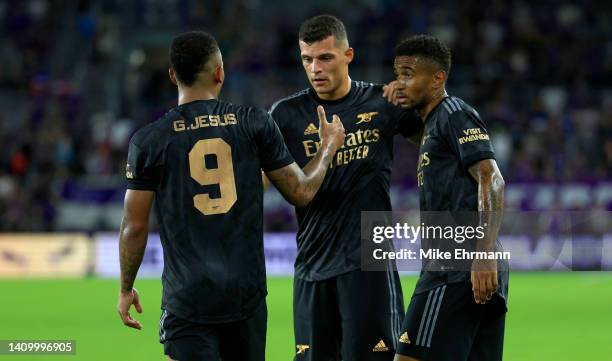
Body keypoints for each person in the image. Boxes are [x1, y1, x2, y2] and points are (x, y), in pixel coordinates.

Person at [115, 31, 345, 361]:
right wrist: (328, 147)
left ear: (172, 75)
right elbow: (301, 192)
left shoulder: (149, 140)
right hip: (246, 298)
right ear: (220, 72)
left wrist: (126, 288)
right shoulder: (254, 123)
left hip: (188, 299)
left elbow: (133, 228)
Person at [269, 15, 423, 360]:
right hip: (312, 266)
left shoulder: (382, 103)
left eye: (325, 58)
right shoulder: (286, 115)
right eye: (307, 59)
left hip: (369, 264)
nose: (315, 69)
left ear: (348, 55)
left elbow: (434, 137)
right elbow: (259, 184)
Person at [385, 34, 508, 361]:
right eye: (397, 74)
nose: (401, 83)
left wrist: (482, 254)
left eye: (408, 74)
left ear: (438, 78)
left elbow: (492, 178)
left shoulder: (453, 112)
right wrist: (387, 102)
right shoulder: (433, 126)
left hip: (454, 266)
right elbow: (416, 133)